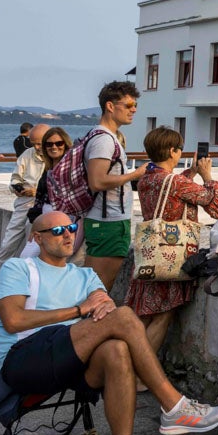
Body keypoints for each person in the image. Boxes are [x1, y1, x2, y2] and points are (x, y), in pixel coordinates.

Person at [0, 210, 218, 435]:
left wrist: (100, 305)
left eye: (72, 228)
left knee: (117, 348)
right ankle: (173, 405)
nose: (68, 235)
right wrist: (79, 311)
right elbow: (13, 320)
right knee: (125, 317)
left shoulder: (85, 275)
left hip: (70, 362)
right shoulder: (19, 268)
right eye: (57, 231)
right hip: (25, 360)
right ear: (36, 238)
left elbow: (104, 307)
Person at [126, 126, 218, 354]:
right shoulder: (177, 183)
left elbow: (169, 186)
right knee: (162, 315)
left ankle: (126, 366)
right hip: (172, 253)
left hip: (150, 253)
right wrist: (207, 176)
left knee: (143, 314)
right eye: (179, 149)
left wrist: (190, 172)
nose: (181, 152)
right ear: (172, 151)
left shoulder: (147, 178)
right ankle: (142, 375)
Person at [0, 123, 50, 313]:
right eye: (33, 143)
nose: (37, 147)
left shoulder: (59, 156)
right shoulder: (27, 155)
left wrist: (37, 191)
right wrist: (19, 188)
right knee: (7, 247)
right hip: (25, 205)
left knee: (34, 251)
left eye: (40, 143)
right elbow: (15, 179)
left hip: (47, 208)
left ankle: (28, 297)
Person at [83, 81, 147, 291]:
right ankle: (83, 324)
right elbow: (98, 181)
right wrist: (135, 174)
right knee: (97, 290)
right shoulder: (104, 140)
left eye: (135, 105)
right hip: (107, 222)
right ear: (110, 106)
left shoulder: (102, 136)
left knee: (93, 287)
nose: (134, 110)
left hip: (104, 220)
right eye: (129, 105)